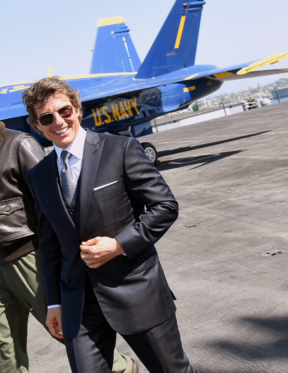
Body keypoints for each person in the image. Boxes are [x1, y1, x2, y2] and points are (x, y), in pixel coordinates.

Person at [0, 81, 134, 373]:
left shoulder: (18, 144)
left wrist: (64, 258)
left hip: (28, 257)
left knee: (65, 329)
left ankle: (121, 368)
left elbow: (52, 203)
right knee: (0, 350)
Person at [22, 77, 199, 373]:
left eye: (64, 111)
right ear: (37, 125)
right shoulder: (39, 176)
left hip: (136, 291)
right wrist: (54, 303)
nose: (59, 122)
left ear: (77, 109)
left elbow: (164, 206)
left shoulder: (120, 149)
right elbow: (49, 243)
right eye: (47, 117)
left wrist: (119, 245)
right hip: (79, 304)